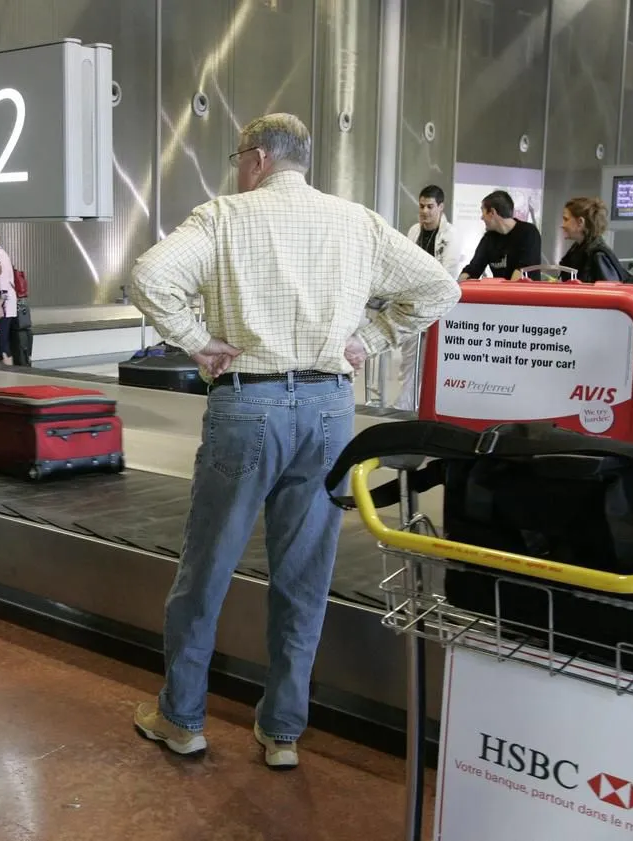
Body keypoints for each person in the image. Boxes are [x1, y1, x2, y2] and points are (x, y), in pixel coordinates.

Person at [128, 113, 461, 769]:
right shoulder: (356, 221)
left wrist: (197, 341)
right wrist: (371, 338)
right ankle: (282, 731)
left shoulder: (224, 216)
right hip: (329, 410)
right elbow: (439, 285)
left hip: (247, 406)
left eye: (236, 158)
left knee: (207, 567)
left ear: (254, 158)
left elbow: (149, 276)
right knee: (305, 574)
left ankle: (182, 717)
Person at [396, 185, 461, 411]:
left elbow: (447, 274)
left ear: (441, 207)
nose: (425, 211)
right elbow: (404, 263)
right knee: (409, 359)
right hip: (413, 301)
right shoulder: (414, 231)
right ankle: (406, 403)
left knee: (430, 361)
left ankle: (424, 404)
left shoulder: (450, 236)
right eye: (422, 206)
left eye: (430, 207)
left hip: (437, 304)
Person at [459, 190, 542, 281]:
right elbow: (473, 268)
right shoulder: (489, 239)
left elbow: (521, 273)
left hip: (525, 293)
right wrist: (460, 284)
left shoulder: (528, 233)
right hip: (501, 293)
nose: (482, 218)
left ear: (492, 213)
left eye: (483, 212)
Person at [559, 197, 633, 282]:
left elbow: (609, 292)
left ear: (580, 222)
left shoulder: (599, 256)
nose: (562, 225)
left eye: (566, 219)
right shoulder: (577, 250)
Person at [0, 223, 17, 365]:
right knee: (3, 341)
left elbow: (2, 281)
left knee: (2, 343)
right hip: (7, 303)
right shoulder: (1, 252)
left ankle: (9, 372)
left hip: (4, 304)